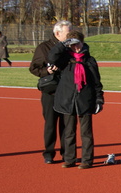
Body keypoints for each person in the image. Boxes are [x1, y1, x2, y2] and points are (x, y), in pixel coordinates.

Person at [48, 30, 104, 169]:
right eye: (72, 45)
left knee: (86, 133)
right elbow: (51, 57)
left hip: (85, 100)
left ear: (83, 43)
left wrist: (99, 100)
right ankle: (69, 158)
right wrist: (63, 44)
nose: (75, 47)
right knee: (69, 132)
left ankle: (87, 160)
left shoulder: (89, 61)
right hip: (67, 100)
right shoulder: (64, 59)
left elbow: (97, 82)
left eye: (77, 44)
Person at [29, 20, 71, 164]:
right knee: (50, 124)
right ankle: (48, 153)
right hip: (50, 92)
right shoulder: (44, 47)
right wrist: (46, 71)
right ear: (57, 33)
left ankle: (67, 154)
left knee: (67, 125)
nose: (70, 34)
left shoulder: (70, 47)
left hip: (66, 92)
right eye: (68, 32)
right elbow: (33, 68)